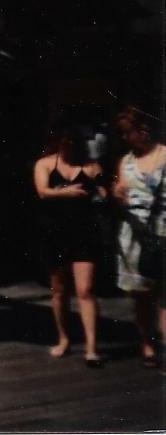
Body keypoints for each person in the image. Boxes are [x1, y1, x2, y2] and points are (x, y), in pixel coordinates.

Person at [33, 116, 107, 367]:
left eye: (72, 143)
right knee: (60, 290)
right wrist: (67, 191)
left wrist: (103, 186)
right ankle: (64, 338)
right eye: (64, 143)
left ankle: (92, 347)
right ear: (57, 143)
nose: (68, 147)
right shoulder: (44, 164)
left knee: (85, 290)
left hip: (85, 233)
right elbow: (42, 191)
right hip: (55, 233)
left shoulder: (90, 165)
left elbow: (104, 193)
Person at [112, 105, 166, 369]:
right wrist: (117, 194)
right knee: (142, 295)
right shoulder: (126, 161)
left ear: (142, 130)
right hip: (135, 233)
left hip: (163, 229)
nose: (124, 138)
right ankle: (147, 344)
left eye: (126, 133)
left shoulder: (165, 155)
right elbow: (121, 193)